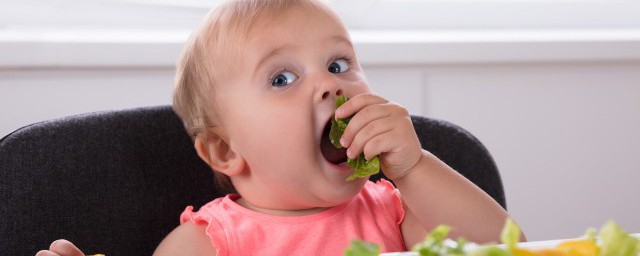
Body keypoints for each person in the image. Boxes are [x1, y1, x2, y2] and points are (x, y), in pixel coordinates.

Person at [36, 0, 520, 255]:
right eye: (282, 78)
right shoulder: (207, 242)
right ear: (226, 152)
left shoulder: (397, 210)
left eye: (338, 63)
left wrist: (413, 168)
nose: (330, 87)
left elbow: (506, 247)